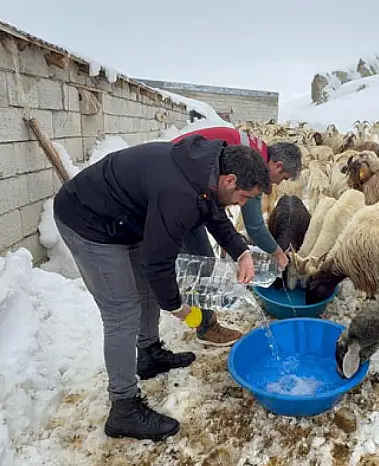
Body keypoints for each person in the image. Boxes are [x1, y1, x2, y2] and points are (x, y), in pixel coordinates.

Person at [53, 135, 271, 440]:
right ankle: (124, 408)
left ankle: (148, 353)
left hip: (125, 218)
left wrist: (242, 252)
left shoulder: (206, 171)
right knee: (122, 311)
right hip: (89, 222)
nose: (243, 204)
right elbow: (158, 262)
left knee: (145, 292)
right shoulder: (179, 193)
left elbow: (214, 214)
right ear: (230, 179)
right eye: (245, 197)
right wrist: (177, 307)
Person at [170, 126, 303, 276]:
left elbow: (215, 209)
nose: (278, 184)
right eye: (283, 178)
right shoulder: (254, 171)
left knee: (202, 258)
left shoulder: (255, 149)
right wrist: (277, 253)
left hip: (180, 166)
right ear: (278, 166)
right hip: (172, 188)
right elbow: (254, 226)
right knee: (190, 263)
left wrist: (230, 243)